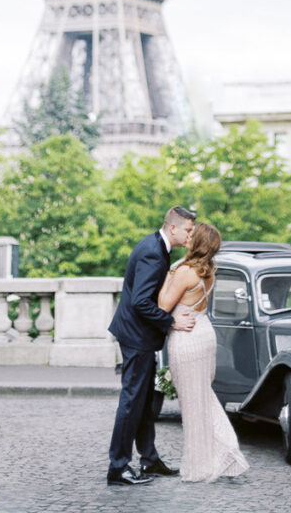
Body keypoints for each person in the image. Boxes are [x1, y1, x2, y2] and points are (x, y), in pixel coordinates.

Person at [106, 206, 196, 486]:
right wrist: (171, 322)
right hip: (136, 337)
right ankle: (118, 467)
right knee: (132, 401)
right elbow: (141, 302)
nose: (191, 235)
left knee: (143, 402)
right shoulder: (153, 252)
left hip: (140, 335)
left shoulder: (156, 246)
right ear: (173, 229)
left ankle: (149, 460)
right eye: (189, 230)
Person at [158, 222, 249, 483]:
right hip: (204, 333)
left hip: (188, 337)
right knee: (202, 396)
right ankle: (222, 449)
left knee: (193, 403)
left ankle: (206, 462)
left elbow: (163, 305)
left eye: (191, 234)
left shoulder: (185, 271)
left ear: (197, 242)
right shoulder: (209, 270)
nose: (187, 235)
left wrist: (168, 275)